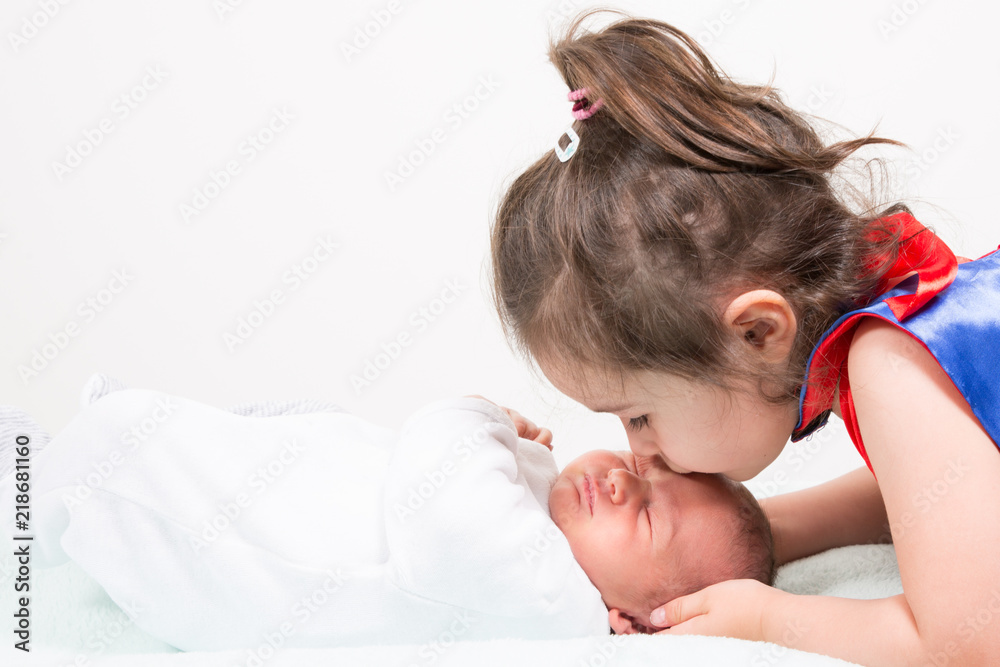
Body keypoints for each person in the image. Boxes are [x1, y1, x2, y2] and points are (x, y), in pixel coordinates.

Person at [490, 11, 1000, 666]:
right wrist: (760, 534)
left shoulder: (885, 360)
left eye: (639, 414)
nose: (641, 452)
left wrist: (768, 617)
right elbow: (947, 488)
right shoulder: (887, 323)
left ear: (757, 331)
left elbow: (974, 640)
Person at [0, 380, 772, 650]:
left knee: (55, 484)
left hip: (162, 503)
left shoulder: (553, 607)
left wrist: (482, 418)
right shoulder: (543, 521)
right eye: (641, 471)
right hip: (209, 468)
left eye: (644, 518)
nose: (621, 481)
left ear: (636, 622)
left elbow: (441, 496)